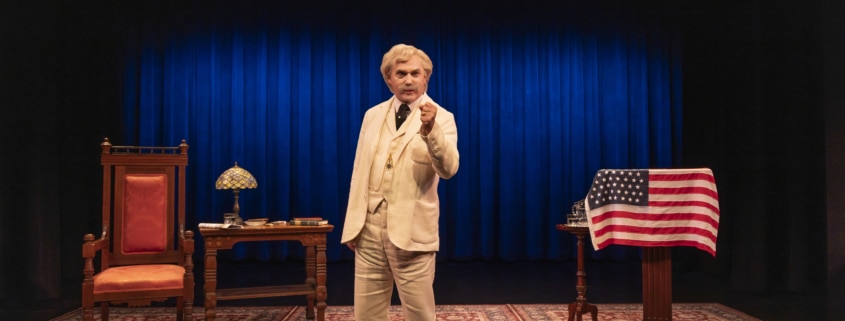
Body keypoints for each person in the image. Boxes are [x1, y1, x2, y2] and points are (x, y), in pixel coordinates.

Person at [340, 43, 460, 321]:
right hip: (368, 229)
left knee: (419, 314)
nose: (409, 80)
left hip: (412, 231)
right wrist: (353, 225)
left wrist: (431, 132)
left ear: (426, 77)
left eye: (415, 73)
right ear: (388, 79)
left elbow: (449, 169)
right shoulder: (372, 115)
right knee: (367, 314)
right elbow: (359, 172)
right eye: (401, 73)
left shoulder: (442, 117)